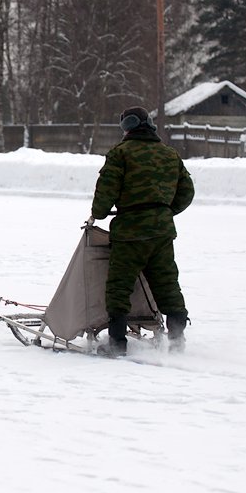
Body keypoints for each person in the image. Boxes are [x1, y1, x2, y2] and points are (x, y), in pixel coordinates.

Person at [88, 106, 195, 353]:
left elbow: (106, 192)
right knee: (167, 283)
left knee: (119, 286)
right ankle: (177, 342)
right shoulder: (169, 154)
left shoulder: (120, 154)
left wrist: (98, 214)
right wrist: (163, 212)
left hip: (130, 233)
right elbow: (187, 192)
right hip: (162, 232)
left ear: (126, 128)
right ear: (149, 124)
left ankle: (117, 344)